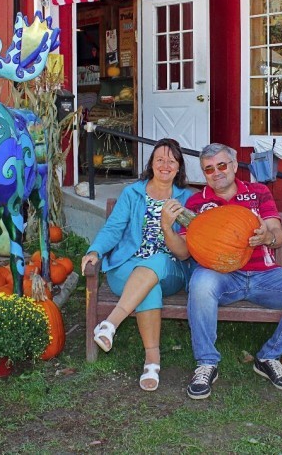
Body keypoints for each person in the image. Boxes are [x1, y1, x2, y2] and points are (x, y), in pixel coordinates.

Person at [181, 143, 282, 400]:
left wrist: (266, 237)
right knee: (200, 283)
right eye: (209, 169)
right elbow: (188, 248)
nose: (217, 172)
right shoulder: (196, 202)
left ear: (235, 166)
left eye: (222, 165)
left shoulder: (258, 193)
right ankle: (206, 362)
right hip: (223, 276)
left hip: (265, 275)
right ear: (204, 174)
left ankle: (269, 356)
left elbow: (278, 236)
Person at [81, 138, 193, 392]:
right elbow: (113, 228)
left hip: (170, 269)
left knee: (157, 261)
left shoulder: (187, 198)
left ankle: (110, 324)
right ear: (151, 163)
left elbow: (189, 245)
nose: (165, 165)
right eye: (160, 159)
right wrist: (95, 250)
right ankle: (152, 360)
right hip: (127, 268)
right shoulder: (133, 193)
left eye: (171, 161)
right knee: (147, 285)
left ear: (179, 167)